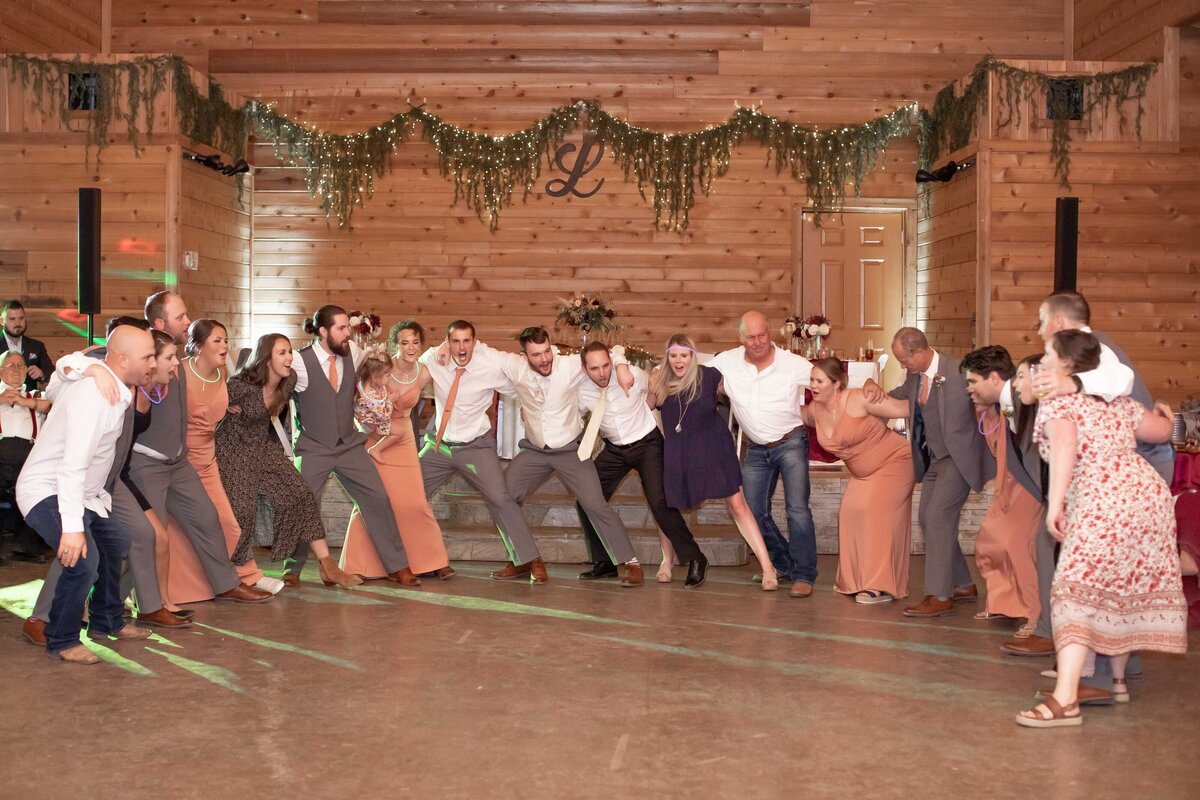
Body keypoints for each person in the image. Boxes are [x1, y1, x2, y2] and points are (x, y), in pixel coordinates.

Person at [1016, 330, 1186, 728]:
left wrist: (1054, 505)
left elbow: (1064, 450)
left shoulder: (1061, 401)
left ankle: (1065, 700)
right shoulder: (1121, 403)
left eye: (1049, 354)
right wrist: (1168, 415)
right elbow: (1161, 432)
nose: (1043, 360)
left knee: (1072, 593)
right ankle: (1119, 681)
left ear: (1066, 364)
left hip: (1101, 498)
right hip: (1146, 496)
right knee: (1119, 588)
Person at [14, 326, 156, 664]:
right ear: (122, 359)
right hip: (47, 488)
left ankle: (106, 621)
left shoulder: (113, 386)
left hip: (82, 493)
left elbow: (65, 369)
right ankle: (61, 638)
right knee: (82, 560)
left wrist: (87, 365)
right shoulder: (95, 396)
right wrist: (73, 529)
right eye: (147, 356)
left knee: (116, 543)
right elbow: (72, 466)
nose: (152, 363)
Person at [472, 327, 645, 587]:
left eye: (545, 352)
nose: (543, 359)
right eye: (536, 355)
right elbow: (480, 349)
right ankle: (526, 558)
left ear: (550, 346)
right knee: (501, 495)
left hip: (571, 451)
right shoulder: (514, 366)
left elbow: (609, 352)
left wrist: (620, 365)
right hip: (534, 451)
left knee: (595, 504)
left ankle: (630, 563)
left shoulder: (571, 365)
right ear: (525, 355)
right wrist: (441, 350)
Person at [862, 327, 994, 618]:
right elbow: (901, 396)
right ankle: (961, 583)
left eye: (904, 360)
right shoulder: (913, 375)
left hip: (959, 459)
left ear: (919, 352)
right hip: (933, 458)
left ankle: (940, 594)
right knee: (927, 518)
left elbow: (988, 400)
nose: (902, 366)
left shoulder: (959, 371)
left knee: (937, 517)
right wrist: (874, 387)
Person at [284, 305, 417, 586]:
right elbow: (269, 376)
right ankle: (292, 568)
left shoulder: (353, 355)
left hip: (348, 445)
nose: (348, 334)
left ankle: (397, 565)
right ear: (323, 331)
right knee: (302, 501)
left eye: (349, 328)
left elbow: (379, 369)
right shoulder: (297, 360)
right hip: (314, 448)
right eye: (342, 329)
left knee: (378, 498)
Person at [216, 334, 361, 588]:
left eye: (289, 352)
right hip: (233, 451)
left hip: (261, 445)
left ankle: (328, 567)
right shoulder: (241, 386)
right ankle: (236, 575)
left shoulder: (289, 380)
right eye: (281, 353)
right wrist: (222, 406)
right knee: (243, 511)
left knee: (301, 496)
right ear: (266, 358)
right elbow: (210, 398)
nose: (289, 358)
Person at [161, 320, 283, 600]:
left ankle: (242, 578)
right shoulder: (177, 372)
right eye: (217, 341)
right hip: (180, 461)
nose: (224, 346)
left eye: (226, 340)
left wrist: (228, 408)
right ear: (198, 345)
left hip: (208, 460)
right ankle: (188, 587)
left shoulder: (221, 374)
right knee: (180, 528)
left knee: (229, 523)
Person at [417, 320, 543, 583]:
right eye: (455, 341)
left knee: (500, 498)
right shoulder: (433, 358)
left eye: (466, 341)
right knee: (409, 494)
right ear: (447, 342)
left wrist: (527, 404)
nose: (461, 348)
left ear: (475, 342)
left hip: (476, 446)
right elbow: (410, 369)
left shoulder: (490, 362)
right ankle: (415, 559)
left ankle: (529, 560)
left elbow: (521, 378)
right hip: (439, 446)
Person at [650, 333, 777, 591]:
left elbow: (740, 390)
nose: (678, 361)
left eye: (683, 355)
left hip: (714, 448)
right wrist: (651, 385)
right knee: (668, 505)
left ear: (692, 356)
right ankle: (667, 561)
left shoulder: (709, 376)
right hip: (679, 451)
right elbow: (648, 406)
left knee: (738, 504)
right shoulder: (660, 380)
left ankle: (768, 567)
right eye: (673, 356)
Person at [575, 342, 708, 587]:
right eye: (594, 368)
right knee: (586, 498)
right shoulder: (582, 390)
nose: (603, 373)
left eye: (606, 365)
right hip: (614, 449)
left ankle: (695, 558)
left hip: (647, 444)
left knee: (659, 501)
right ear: (584, 370)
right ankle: (604, 562)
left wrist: (625, 366)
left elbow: (655, 385)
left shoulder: (630, 375)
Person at [705, 312, 817, 598]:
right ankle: (781, 563)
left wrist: (824, 410)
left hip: (791, 442)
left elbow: (827, 380)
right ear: (741, 338)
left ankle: (804, 575)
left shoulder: (794, 364)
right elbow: (691, 369)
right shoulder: (726, 362)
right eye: (751, 337)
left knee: (797, 509)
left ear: (771, 333)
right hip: (756, 448)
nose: (757, 342)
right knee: (752, 510)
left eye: (762, 335)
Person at [339, 321, 452, 580]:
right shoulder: (381, 366)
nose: (410, 348)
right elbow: (359, 396)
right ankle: (361, 564)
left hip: (403, 439)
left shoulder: (424, 372)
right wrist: (364, 426)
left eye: (415, 342)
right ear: (394, 345)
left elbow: (446, 354)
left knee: (415, 502)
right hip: (375, 438)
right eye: (404, 342)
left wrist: (445, 345)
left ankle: (430, 560)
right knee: (372, 501)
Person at [802, 358, 913, 603]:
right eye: (811, 380)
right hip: (863, 474)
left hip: (895, 462)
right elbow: (786, 414)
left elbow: (902, 409)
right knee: (850, 513)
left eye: (819, 381)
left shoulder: (859, 398)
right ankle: (854, 580)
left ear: (837, 383)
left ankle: (879, 586)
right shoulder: (814, 411)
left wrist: (933, 396)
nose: (813, 386)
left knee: (874, 511)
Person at [961, 346, 1042, 628]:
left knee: (1018, 545)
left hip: (1029, 483)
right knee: (989, 540)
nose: (968, 389)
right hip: (1009, 481)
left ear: (994, 378)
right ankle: (1004, 602)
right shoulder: (995, 409)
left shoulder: (1023, 401)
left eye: (972, 381)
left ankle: (1036, 616)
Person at [0, 351, 50, 563]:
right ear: (1, 371)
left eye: (20, 366)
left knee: (43, 488)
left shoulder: (35, 397)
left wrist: (26, 402)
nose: (16, 370)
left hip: (29, 458)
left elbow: (51, 406)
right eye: (10, 366)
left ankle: (26, 547)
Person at [2, 299, 52, 392]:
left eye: (21, 318)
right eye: (12, 319)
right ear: (2, 321)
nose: (18, 323)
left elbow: (51, 373)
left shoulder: (37, 346)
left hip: (29, 402)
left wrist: (42, 374)